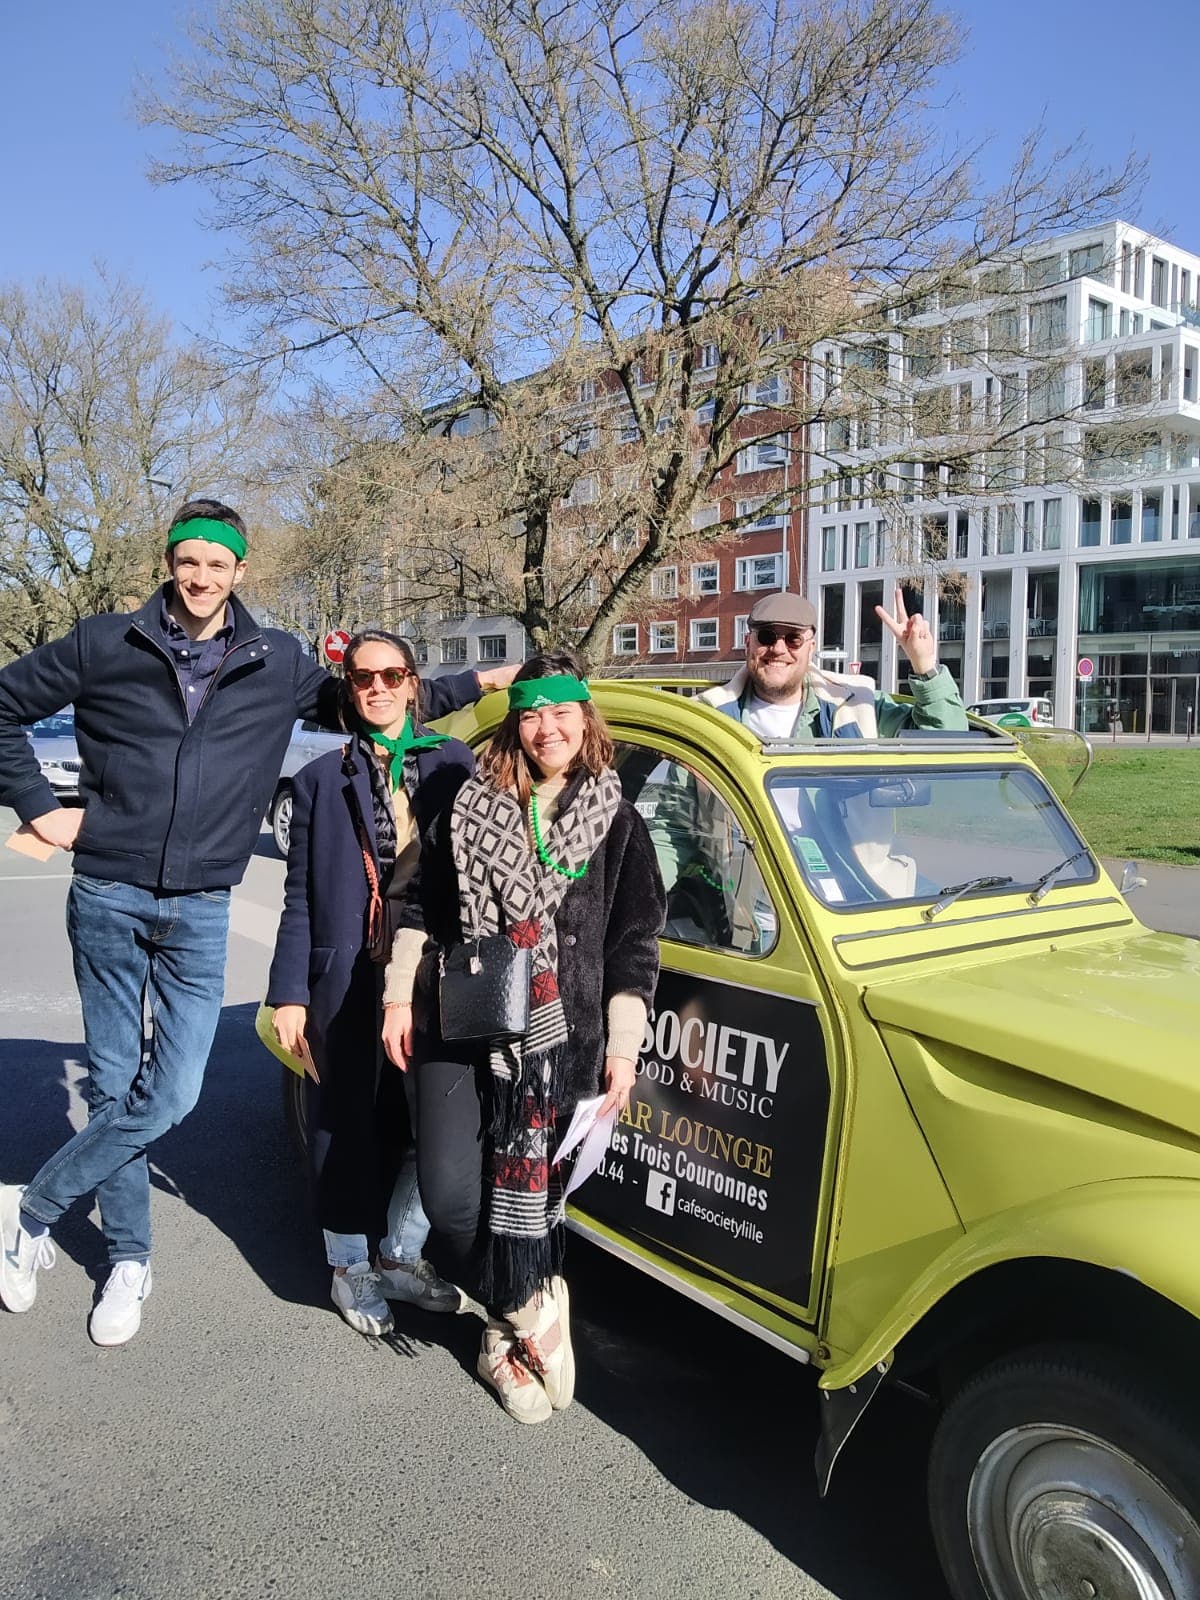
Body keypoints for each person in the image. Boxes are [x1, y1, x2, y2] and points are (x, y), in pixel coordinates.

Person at [0, 498, 509, 1345]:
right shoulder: (104, 643)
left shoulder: (277, 660)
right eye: (187, 560)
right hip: (109, 894)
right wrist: (37, 807)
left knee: (172, 1093)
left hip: (201, 906)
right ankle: (129, 1258)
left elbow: (365, 701)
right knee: (119, 1086)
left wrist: (479, 684)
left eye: (217, 562)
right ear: (169, 563)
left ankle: (30, 1205)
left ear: (241, 570)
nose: (201, 576)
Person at [382, 653, 666, 1424]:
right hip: (459, 1021)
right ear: (516, 724)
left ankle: (498, 1345)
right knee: (449, 1198)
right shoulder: (471, 805)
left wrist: (623, 1046)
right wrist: (398, 996)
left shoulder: (617, 819)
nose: (547, 729)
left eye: (561, 712)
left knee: (534, 1207)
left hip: (557, 1047)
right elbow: (423, 908)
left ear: (585, 719)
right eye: (532, 714)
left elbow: (635, 944)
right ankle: (532, 1308)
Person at [266, 629, 472, 1336]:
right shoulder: (321, 779)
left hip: (432, 969)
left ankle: (401, 1251)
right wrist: (289, 992)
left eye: (391, 675)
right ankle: (349, 1262)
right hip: (346, 973)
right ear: (348, 690)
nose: (377, 688)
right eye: (362, 678)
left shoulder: (454, 763)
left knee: (430, 1119)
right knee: (342, 1117)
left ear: (413, 683)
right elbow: (299, 895)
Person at [701, 587, 967, 738]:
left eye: (793, 639)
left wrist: (924, 665)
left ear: (811, 648)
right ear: (748, 642)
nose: (778, 649)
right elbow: (681, 805)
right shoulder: (708, 715)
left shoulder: (857, 705)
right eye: (767, 636)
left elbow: (948, 738)